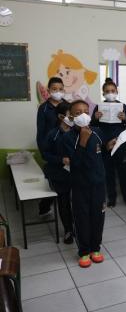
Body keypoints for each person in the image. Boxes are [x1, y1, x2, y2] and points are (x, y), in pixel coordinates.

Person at [63, 100, 114, 268]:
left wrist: (110, 146)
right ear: (71, 116)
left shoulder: (97, 132)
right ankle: (84, 251)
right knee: (82, 218)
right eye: (78, 113)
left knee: (98, 217)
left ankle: (95, 248)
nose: (83, 115)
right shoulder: (68, 137)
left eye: (86, 111)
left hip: (98, 183)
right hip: (79, 185)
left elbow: (102, 153)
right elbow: (75, 163)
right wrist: (83, 141)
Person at [91, 79, 126, 208]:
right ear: (103, 93)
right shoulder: (99, 107)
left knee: (123, 172)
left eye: (113, 91)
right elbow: (93, 126)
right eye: (107, 91)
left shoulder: (123, 106)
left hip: (120, 144)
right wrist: (95, 118)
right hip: (105, 145)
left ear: (117, 91)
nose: (110, 93)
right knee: (108, 172)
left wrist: (125, 118)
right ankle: (112, 198)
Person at [43, 101, 74, 244]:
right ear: (61, 117)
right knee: (64, 201)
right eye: (71, 115)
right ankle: (68, 229)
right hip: (59, 174)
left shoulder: (77, 132)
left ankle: (78, 225)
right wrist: (61, 159)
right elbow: (46, 155)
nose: (74, 117)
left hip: (76, 173)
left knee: (78, 201)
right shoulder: (53, 134)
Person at [37, 77, 67, 216]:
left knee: (64, 185)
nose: (58, 92)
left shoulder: (68, 105)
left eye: (60, 89)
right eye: (54, 89)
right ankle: (45, 205)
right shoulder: (43, 108)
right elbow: (41, 132)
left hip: (66, 149)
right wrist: (44, 152)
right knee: (53, 181)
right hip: (51, 151)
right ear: (49, 90)